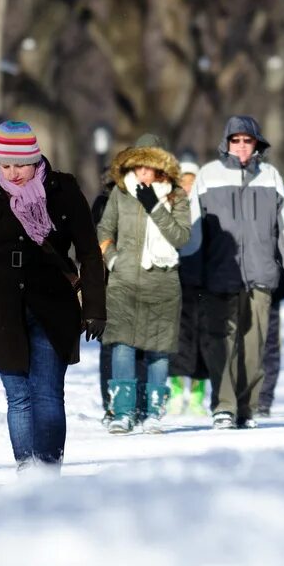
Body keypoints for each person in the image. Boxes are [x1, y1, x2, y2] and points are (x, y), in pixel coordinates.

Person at [0, 121, 105, 469]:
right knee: (18, 395)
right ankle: (27, 470)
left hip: (52, 301)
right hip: (2, 303)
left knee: (47, 393)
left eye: (19, 164)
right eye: (5, 165)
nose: (13, 173)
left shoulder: (63, 188)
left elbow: (89, 252)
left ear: (34, 158)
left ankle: (48, 470)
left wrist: (95, 307)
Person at [180, 115, 284, 429]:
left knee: (254, 346)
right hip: (218, 275)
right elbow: (193, 230)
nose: (240, 146)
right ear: (226, 143)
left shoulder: (271, 178)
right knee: (220, 342)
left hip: (260, 277)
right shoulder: (208, 177)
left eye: (246, 140)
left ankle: (246, 407)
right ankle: (223, 405)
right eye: (235, 140)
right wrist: (190, 273)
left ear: (256, 143)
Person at [96, 138, 190, 433]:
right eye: (137, 165)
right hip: (124, 281)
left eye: (147, 166)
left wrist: (154, 206)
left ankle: (152, 413)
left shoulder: (176, 197)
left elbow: (181, 238)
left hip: (162, 282)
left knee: (158, 351)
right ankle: (122, 412)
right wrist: (113, 260)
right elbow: (103, 228)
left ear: (160, 167)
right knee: (122, 346)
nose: (141, 172)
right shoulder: (121, 194)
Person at [168, 158, 210, 417]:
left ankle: (197, 395)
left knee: (202, 341)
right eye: (183, 181)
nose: (187, 186)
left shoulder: (208, 208)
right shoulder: (170, 207)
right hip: (176, 279)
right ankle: (174, 391)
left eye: (192, 181)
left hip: (204, 282)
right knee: (176, 340)